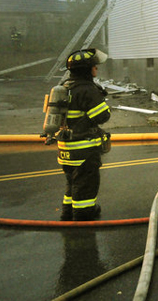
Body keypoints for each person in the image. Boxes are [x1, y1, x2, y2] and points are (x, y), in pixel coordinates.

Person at [57, 48, 111, 221]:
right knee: (86, 184)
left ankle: (67, 211)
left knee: (72, 182)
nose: (96, 69)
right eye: (94, 66)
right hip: (84, 149)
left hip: (65, 148)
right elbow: (103, 115)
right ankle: (84, 214)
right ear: (86, 69)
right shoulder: (87, 89)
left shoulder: (65, 87)